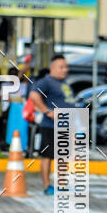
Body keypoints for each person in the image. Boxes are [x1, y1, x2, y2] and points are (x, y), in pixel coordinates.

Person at [29, 54, 76, 194]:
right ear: (53, 68)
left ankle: (62, 184)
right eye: (61, 67)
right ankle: (47, 186)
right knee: (48, 156)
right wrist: (47, 111)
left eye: (66, 67)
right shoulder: (47, 81)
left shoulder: (64, 83)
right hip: (50, 126)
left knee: (63, 157)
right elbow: (33, 95)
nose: (65, 70)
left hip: (65, 126)